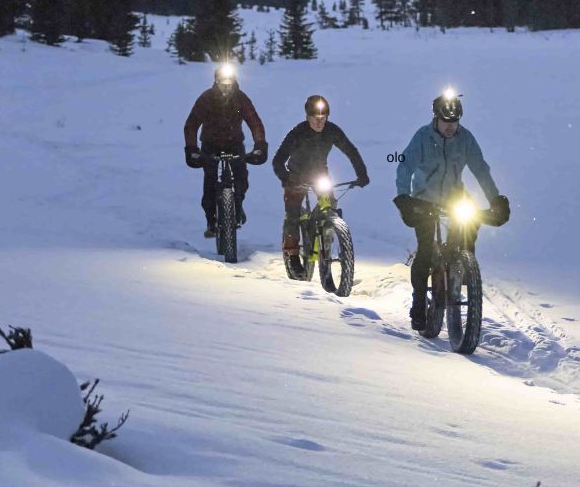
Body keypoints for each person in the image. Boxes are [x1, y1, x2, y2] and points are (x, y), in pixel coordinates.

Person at [393, 87, 508, 324]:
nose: (449, 126)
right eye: (445, 121)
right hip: (424, 198)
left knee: (470, 223)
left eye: (454, 122)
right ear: (436, 117)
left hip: (455, 197)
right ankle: (418, 299)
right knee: (425, 249)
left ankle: (462, 267)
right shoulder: (422, 137)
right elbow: (404, 166)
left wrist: (495, 199)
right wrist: (403, 196)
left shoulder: (465, 139)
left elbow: (481, 170)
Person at [271, 94, 369, 267]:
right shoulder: (298, 133)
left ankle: (326, 237)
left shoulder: (332, 131)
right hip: (296, 175)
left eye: (323, 118)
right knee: (293, 213)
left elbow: (351, 151)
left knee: (330, 204)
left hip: (320, 175)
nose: (320, 122)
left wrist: (362, 174)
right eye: (316, 118)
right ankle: (293, 255)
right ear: (307, 117)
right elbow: (278, 160)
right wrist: (286, 177)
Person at [182, 60, 266, 238]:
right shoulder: (206, 99)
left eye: (229, 84)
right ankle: (211, 221)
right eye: (222, 84)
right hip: (210, 145)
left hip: (234, 143)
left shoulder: (241, 98)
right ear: (216, 82)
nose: (226, 88)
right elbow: (191, 125)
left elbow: (255, 122)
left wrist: (259, 145)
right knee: (210, 181)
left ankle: (238, 205)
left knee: (241, 177)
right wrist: (191, 148)